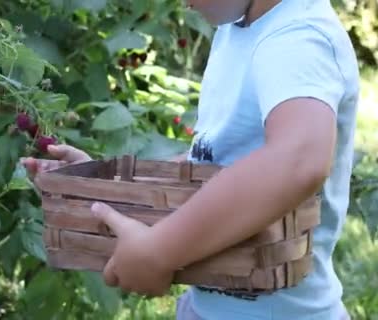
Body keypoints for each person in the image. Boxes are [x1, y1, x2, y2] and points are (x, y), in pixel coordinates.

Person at [22, 0, 359, 319]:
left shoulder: (298, 38)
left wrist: (159, 250)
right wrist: (101, 186)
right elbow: (210, 163)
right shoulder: (239, 31)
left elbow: (298, 160)